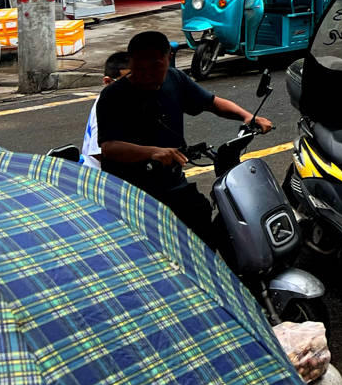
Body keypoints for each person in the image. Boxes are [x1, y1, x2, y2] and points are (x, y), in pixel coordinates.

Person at [96, 30, 273, 238]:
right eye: (140, 68)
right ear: (131, 62)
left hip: (171, 180)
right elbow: (109, 147)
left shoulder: (175, 79)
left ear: (168, 58)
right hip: (132, 190)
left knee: (200, 215)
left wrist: (247, 117)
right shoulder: (113, 96)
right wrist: (152, 152)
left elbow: (212, 103)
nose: (147, 74)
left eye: (155, 67)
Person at [80, 51, 131, 171]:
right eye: (126, 83)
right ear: (107, 82)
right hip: (102, 177)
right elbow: (100, 153)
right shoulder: (107, 106)